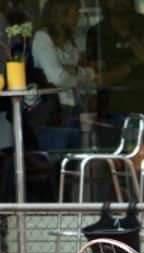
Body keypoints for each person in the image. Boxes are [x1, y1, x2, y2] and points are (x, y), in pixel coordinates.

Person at [86, 0, 144, 148]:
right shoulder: (96, 32)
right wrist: (131, 65)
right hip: (110, 111)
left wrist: (129, 36)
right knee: (113, 164)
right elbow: (100, 79)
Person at [31, 0, 94, 150]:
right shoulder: (43, 38)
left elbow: (77, 71)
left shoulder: (69, 42)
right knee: (57, 159)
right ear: (62, 13)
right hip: (54, 110)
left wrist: (74, 71)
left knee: (75, 158)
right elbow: (57, 78)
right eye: (75, 12)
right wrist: (80, 73)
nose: (78, 16)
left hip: (74, 106)